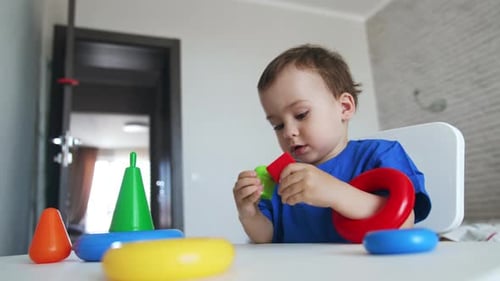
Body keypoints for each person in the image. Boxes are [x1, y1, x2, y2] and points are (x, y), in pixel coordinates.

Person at [232, 44, 431, 243]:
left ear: (344, 107)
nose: (288, 132)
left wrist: (334, 192)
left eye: (301, 114)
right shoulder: (282, 180)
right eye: (278, 125)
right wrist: (249, 214)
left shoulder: (381, 154)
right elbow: (268, 238)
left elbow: (404, 221)